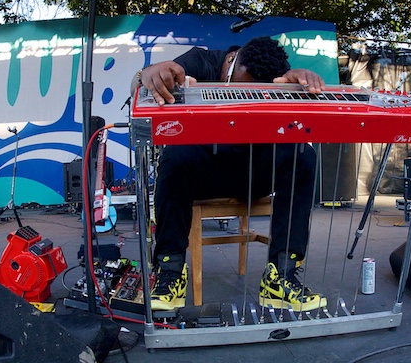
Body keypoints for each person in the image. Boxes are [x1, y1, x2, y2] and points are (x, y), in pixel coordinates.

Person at [134, 36, 326, 311]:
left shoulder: (276, 75)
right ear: (230, 60)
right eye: (239, 87)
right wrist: (146, 75)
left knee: (303, 156)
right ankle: (170, 273)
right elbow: (141, 86)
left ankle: (281, 276)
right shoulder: (198, 62)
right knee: (175, 157)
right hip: (204, 176)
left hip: (252, 175)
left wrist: (299, 85)